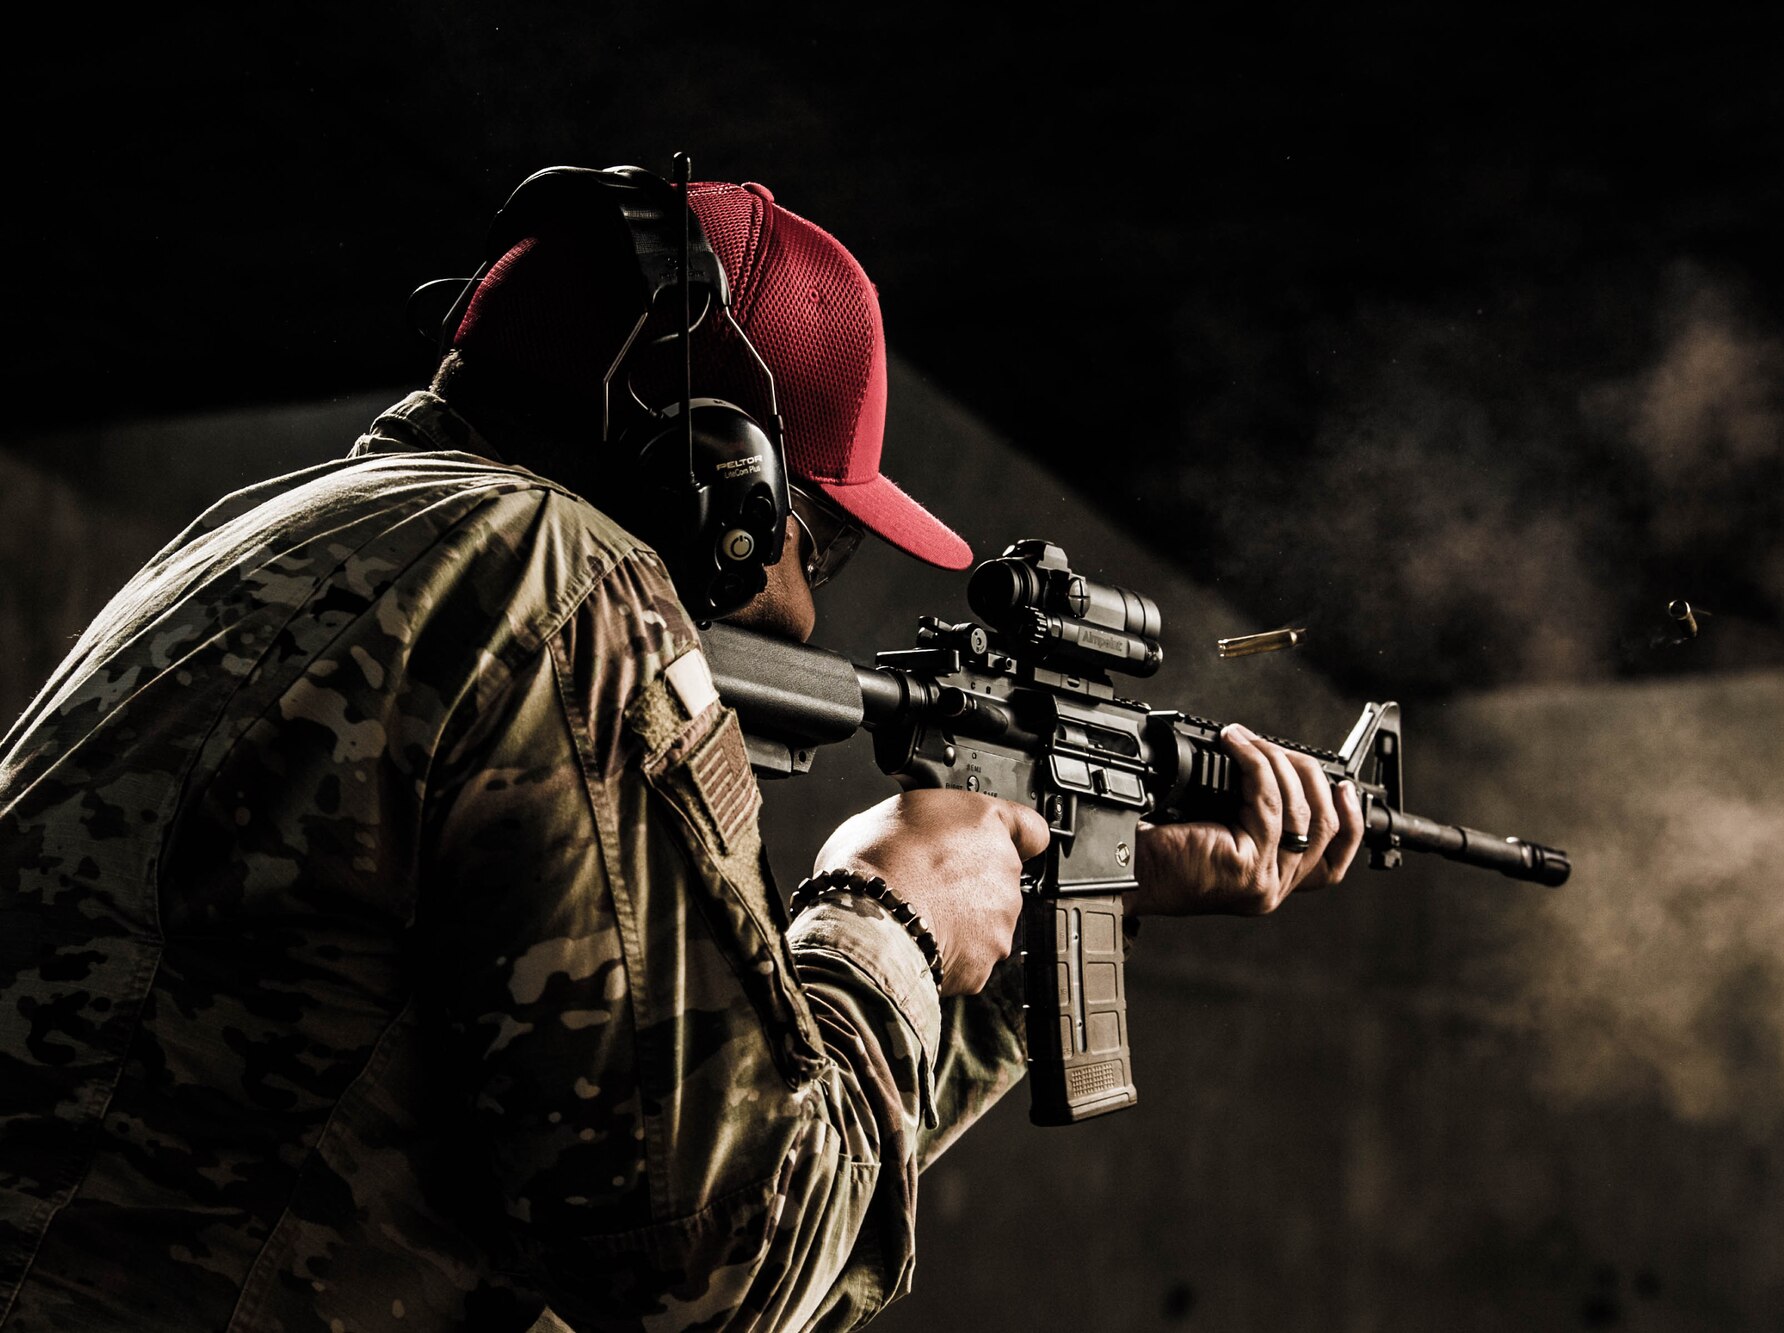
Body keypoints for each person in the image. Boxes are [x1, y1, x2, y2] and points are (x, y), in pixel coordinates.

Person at [0, 170, 1364, 1331]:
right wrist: (887, 904)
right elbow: (716, 1273)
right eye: (811, 536)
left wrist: (1042, 916)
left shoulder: (277, 534)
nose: (807, 597)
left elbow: (691, 1208)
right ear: (722, 478)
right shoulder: (561, 575)